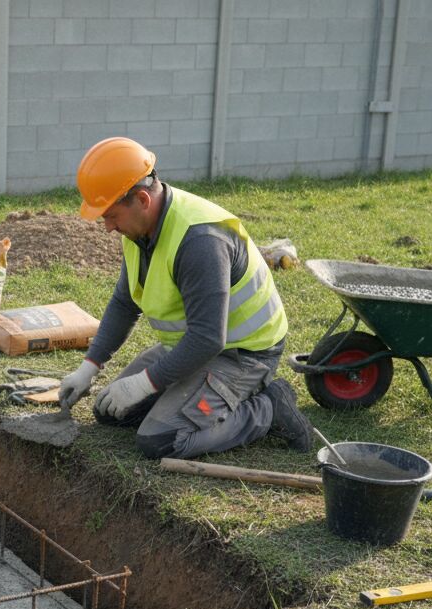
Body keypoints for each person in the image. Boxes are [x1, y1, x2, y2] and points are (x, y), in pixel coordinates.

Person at [58, 137, 312, 459]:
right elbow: (125, 302)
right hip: (191, 345)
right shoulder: (139, 229)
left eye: (110, 216)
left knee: (161, 439)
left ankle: (267, 408)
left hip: (243, 354)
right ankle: (189, 393)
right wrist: (88, 368)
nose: (108, 227)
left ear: (142, 199)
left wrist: (142, 384)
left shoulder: (200, 241)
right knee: (111, 412)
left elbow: (207, 338)